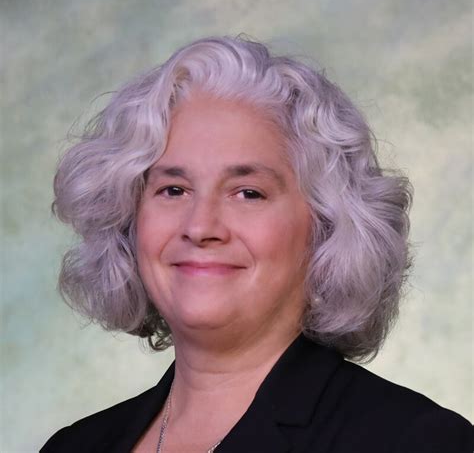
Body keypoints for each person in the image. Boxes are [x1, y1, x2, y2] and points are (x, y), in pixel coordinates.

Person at [41, 35, 472, 453]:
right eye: (173, 189)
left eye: (248, 193)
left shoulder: (416, 441)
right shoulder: (75, 446)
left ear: (325, 226)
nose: (200, 226)